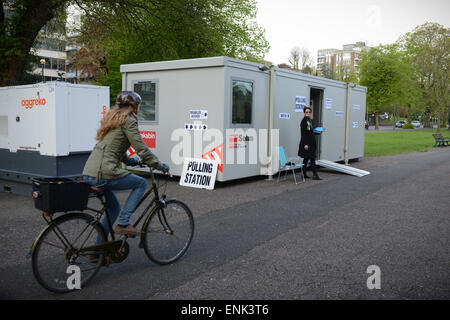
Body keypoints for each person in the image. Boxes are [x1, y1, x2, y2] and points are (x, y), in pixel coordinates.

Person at [82, 91, 169, 237]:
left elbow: (115, 147)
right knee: (141, 183)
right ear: (134, 106)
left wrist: (130, 161)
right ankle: (123, 224)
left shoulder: (114, 120)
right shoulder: (129, 120)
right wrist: (159, 165)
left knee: (113, 209)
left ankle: (97, 251)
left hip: (90, 171)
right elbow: (141, 148)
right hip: (104, 172)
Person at [297, 106, 322, 180]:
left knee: (306, 159)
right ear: (304, 113)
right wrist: (305, 144)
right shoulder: (304, 121)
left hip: (311, 142)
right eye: (306, 112)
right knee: (312, 158)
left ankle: (304, 174)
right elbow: (303, 133)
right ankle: (315, 175)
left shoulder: (310, 120)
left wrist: (318, 132)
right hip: (307, 143)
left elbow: (311, 132)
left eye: (309, 112)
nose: (308, 113)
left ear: (311, 113)